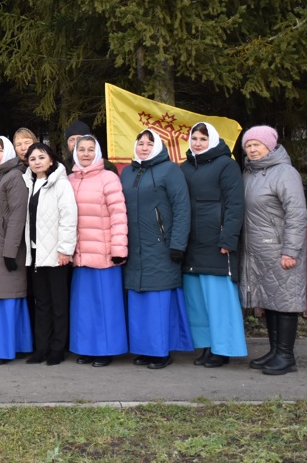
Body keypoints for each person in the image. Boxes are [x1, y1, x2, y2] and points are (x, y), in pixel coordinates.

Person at [121, 129, 193, 370]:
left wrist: (177, 244)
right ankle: (143, 349)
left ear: (159, 146)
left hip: (162, 246)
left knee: (158, 301)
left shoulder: (170, 170)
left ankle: (161, 351)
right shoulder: (128, 172)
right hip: (134, 247)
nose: (143, 147)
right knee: (139, 299)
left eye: (149, 143)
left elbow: (182, 207)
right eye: (140, 142)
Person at [240, 125, 307, 376]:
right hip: (257, 252)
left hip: (280, 250)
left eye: (257, 144)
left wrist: (290, 250)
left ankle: (286, 356)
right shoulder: (249, 173)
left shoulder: (285, 173)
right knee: (270, 300)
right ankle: (275, 351)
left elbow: (297, 213)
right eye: (248, 146)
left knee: (286, 301)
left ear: (270, 145)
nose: (252, 150)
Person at [179, 122, 247, 368]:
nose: (197, 142)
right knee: (198, 301)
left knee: (220, 300)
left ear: (214, 140)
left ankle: (224, 349)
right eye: (194, 138)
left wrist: (228, 238)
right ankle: (208, 347)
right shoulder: (184, 168)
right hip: (192, 244)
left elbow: (235, 205)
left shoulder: (226, 165)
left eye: (203, 139)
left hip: (217, 243)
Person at [67, 135, 128, 368]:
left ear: (98, 152)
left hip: (104, 254)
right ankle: (86, 348)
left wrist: (118, 249)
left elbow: (119, 215)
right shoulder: (70, 179)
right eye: (81, 149)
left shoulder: (108, 178)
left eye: (90, 149)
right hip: (80, 255)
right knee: (84, 307)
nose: (85, 153)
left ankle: (105, 349)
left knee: (105, 305)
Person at [22, 143, 77, 365]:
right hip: (35, 252)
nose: (36, 161)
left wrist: (65, 249)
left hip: (56, 253)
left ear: (51, 160)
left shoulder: (61, 184)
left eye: (41, 157)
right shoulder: (28, 183)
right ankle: (41, 347)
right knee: (41, 302)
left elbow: (68, 218)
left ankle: (57, 348)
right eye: (32, 158)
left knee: (58, 303)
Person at [0, 136, 32, 365]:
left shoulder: (14, 177)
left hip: (4, 249)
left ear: (8, 152)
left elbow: (18, 216)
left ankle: (2, 350)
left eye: (0, 150)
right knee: (1, 297)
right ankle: (19, 344)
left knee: (5, 298)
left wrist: (10, 250)